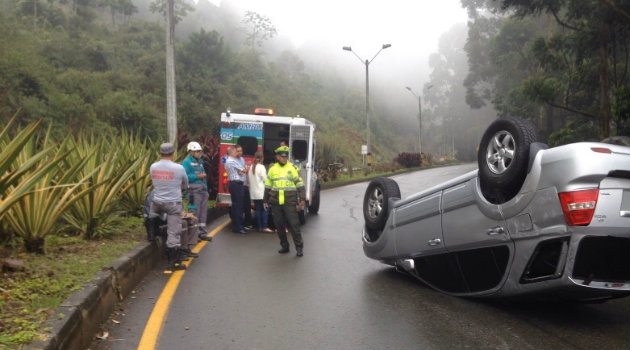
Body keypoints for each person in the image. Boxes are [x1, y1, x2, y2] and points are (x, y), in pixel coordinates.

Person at [149, 142, 189, 273]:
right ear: (173, 153)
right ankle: (172, 263)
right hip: (173, 204)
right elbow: (185, 184)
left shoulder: (153, 166)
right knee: (174, 233)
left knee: (152, 215)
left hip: (157, 202)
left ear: (160, 153)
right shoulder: (179, 168)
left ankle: (152, 234)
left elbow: (153, 180)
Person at [264, 145, 306, 257]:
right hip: (276, 202)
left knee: (294, 225)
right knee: (279, 226)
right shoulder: (272, 169)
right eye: (282, 156)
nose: (284, 158)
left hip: (289, 201)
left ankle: (299, 248)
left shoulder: (292, 168)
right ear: (277, 157)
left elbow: (300, 184)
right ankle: (284, 246)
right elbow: (268, 186)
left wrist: (302, 198)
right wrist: (265, 200)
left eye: (285, 156)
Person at [182, 141, 212, 242]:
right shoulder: (186, 163)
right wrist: (197, 176)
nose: (199, 153)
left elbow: (204, 175)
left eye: (200, 151)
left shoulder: (200, 162)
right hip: (193, 192)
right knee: (194, 212)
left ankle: (202, 233)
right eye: (197, 151)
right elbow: (185, 177)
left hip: (203, 190)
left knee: (203, 213)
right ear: (191, 151)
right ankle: (193, 235)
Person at [225, 146, 248, 234]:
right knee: (238, 207)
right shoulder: (232, 160)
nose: (237, 153)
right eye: (235, 152)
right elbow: (244, 170)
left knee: (236, 206)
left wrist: (241, 172)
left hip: (235, 184)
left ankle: (237, 226)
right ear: (231, 153)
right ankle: (238, 227)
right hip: (236, 184)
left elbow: (242, 171)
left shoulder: (230, 160)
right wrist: (242, 171)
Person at [248, 151, 272, 233]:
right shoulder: (261, 167)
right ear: (262, 158)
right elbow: (265, 180)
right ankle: (265, 227)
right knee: (265, 209)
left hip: (254, 193)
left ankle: (259, 227)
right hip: (262, 193)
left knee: (258, 209)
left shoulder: (251, 167)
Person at [235, 145, 254, 229]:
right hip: (238, 185)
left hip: (244, 185)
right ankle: (239, 225)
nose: (240, 152)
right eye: (238, 151)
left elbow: (244, 172)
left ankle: (248, 224)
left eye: (241, 151)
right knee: (239, 206)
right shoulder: (233, 161)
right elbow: (236, 173)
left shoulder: (242, 159)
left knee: (247, 205)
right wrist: (240, 172)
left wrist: (248, 182)